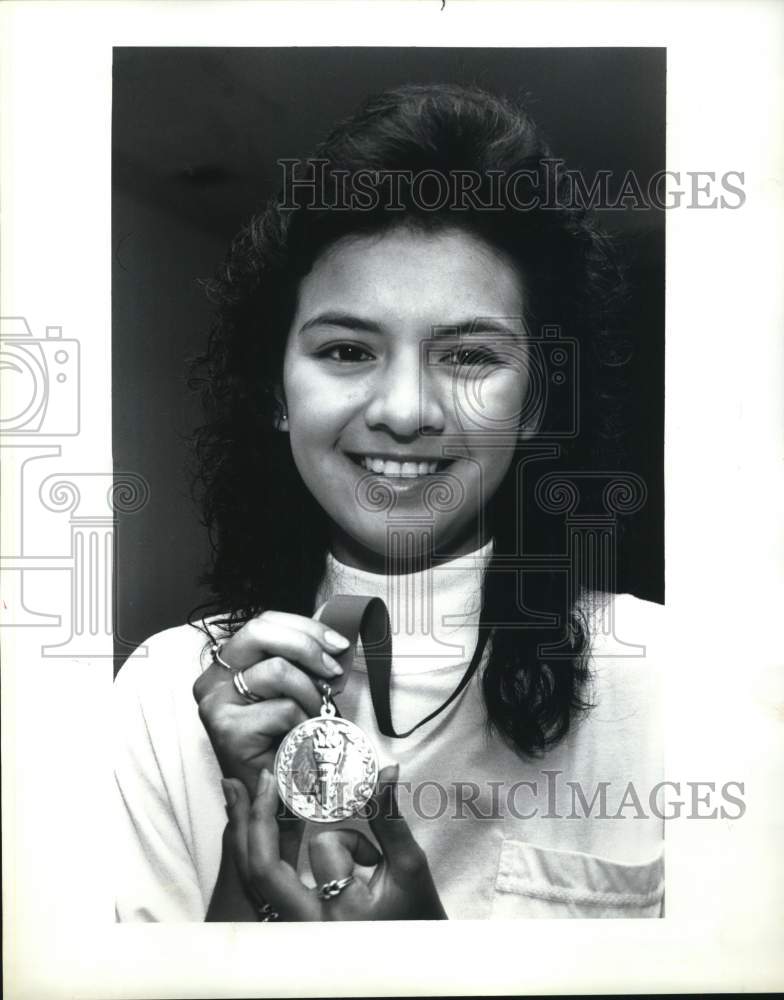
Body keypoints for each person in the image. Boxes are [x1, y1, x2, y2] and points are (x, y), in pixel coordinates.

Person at [114, 83, 665, 922]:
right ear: (275, 390)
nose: (405, 411)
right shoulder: (163, 690)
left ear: (538, 404)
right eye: (346, 350)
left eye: (469, 356)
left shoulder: (673, 676)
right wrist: (254, 854)